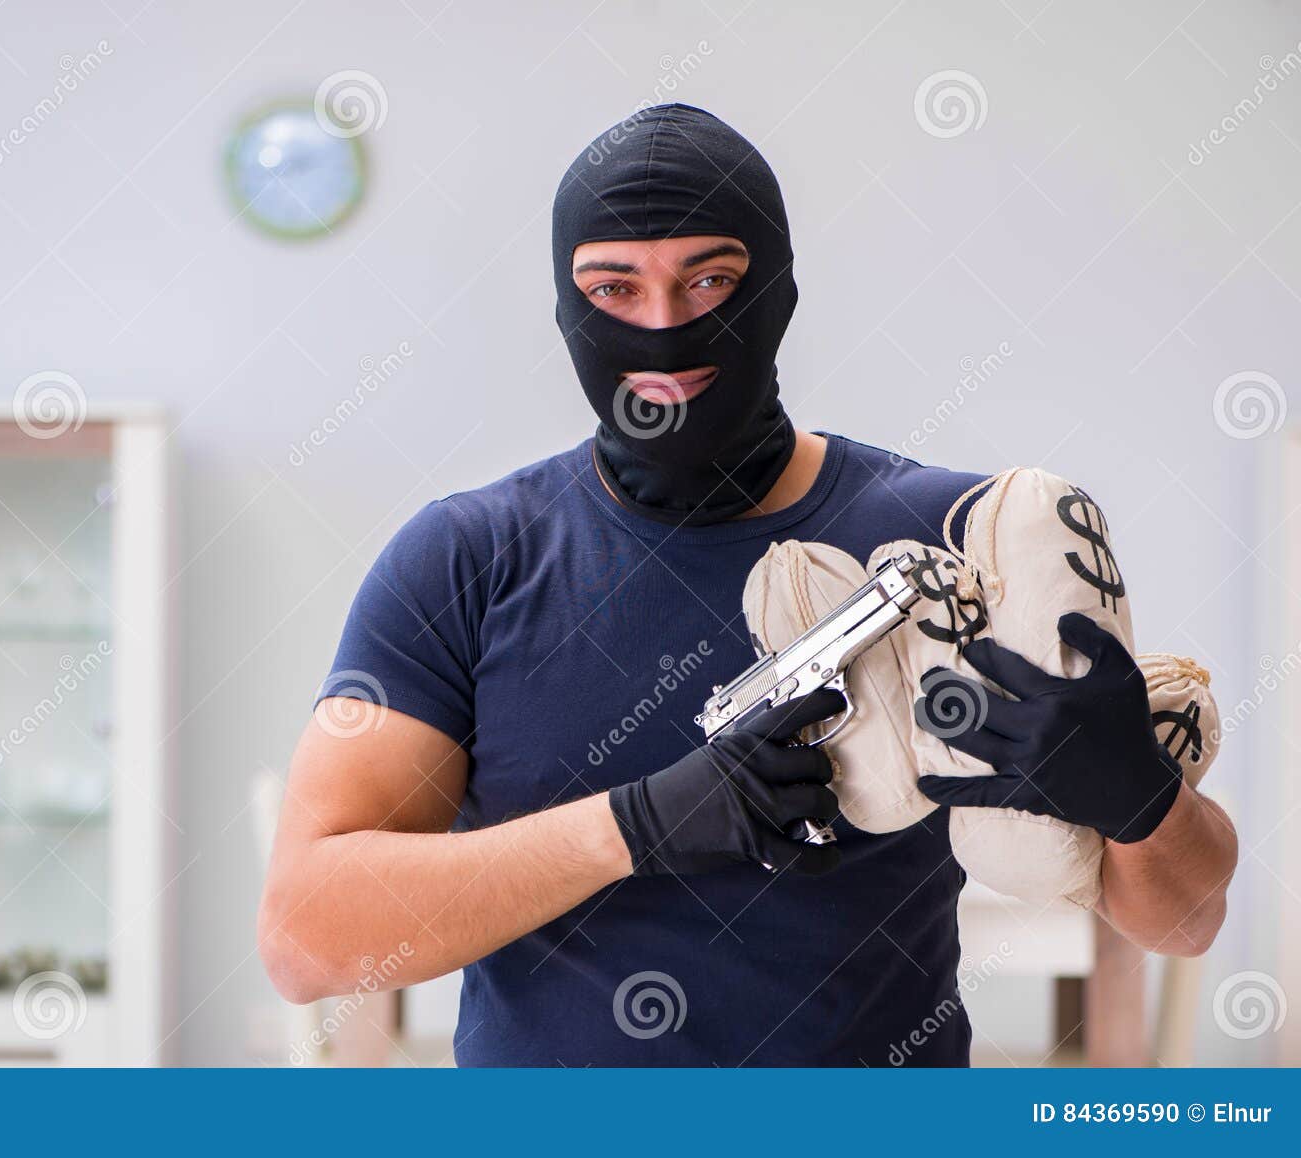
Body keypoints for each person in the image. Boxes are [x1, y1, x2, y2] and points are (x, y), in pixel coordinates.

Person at [257, 104, 1237, 1066]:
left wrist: (1141, 799)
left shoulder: (952, 538)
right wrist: (634, 826)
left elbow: (1183, 924)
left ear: (776, 290)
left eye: (709, 279)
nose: (662, 329)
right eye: (612, 290)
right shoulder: (466, 558)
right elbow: (305, 941)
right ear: (563, 307)